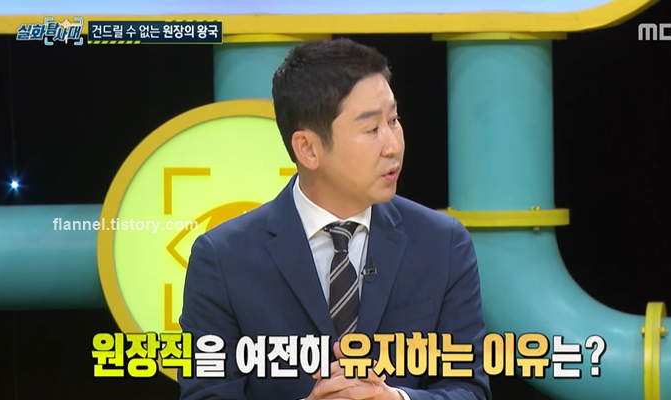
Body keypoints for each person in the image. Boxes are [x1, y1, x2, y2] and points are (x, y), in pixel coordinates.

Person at [178, 38, 491, 400]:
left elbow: (470, 389)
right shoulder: (223, 259)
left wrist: (394, 399)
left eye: (393, 120)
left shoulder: (442, 243)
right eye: (371, 129)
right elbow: (206, 394)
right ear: (308, 149)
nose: (393, 145)